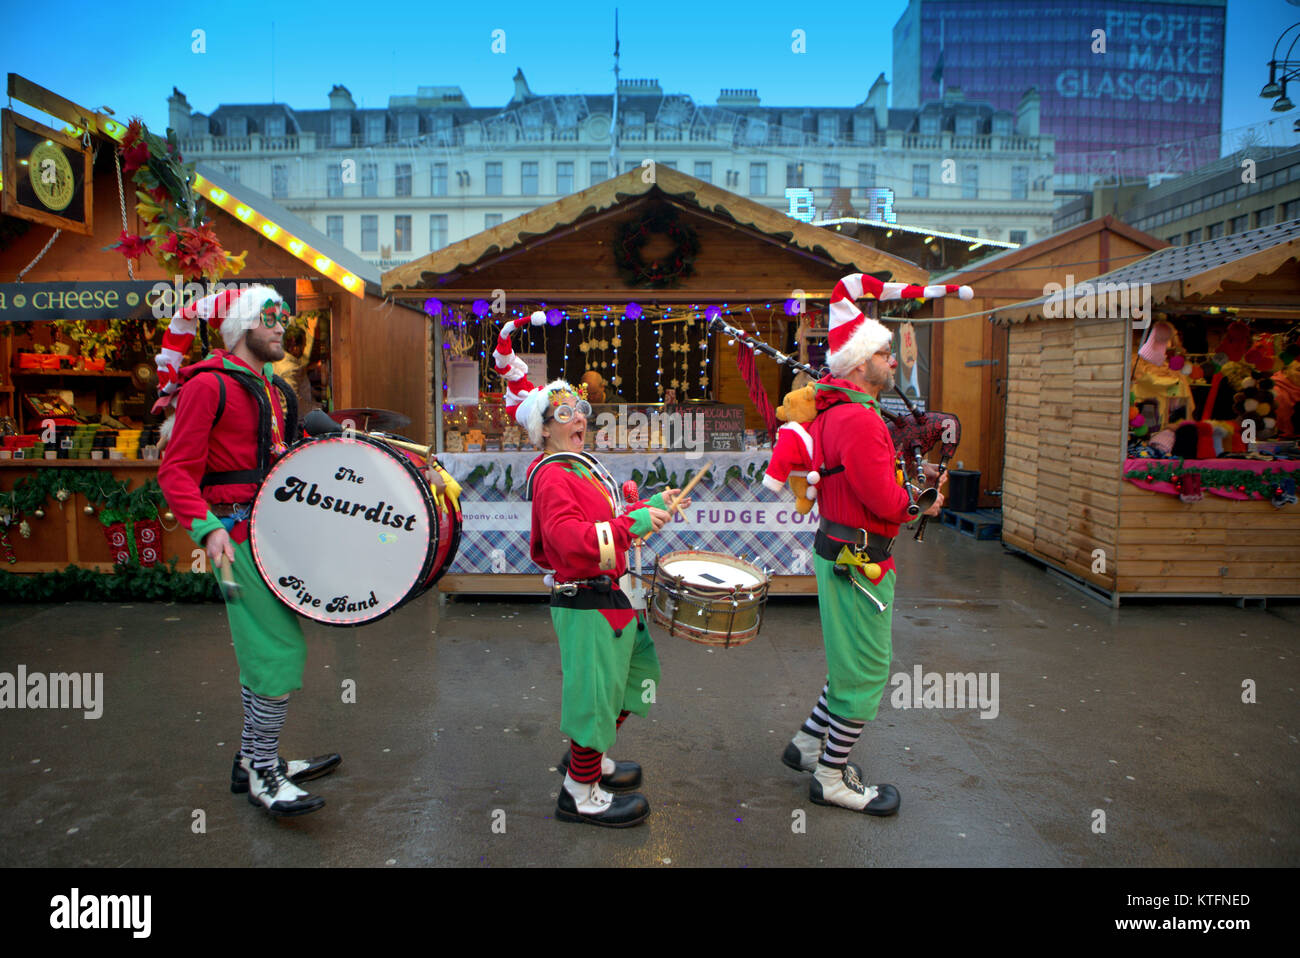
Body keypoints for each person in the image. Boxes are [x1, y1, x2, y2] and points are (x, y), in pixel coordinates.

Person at [782, 273, 969, 815]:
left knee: (848, 664)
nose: (893, 360)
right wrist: (923, 500)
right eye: (885, 353)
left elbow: (863, 486)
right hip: (858, 560)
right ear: (860, 365)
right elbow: (887, 503)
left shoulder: (833, 412)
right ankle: (832, 776)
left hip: (839, 551)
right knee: (866, 672)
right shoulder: (861, 422)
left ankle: (806, 745)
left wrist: (905, 491)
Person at [494, 314, 687, 827]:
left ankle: (589, 759)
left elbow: (605, 521)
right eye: (565, 411)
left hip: (612, 594)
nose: (580, 416)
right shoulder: (554, 476)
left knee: (634, 679)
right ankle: (578, 792)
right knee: (595, 695)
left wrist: (648, 505)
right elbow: (571, 543)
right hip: (587, 597)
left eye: (580, 407)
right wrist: (633, 524)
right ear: (544, 426)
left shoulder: (578, 465)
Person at [156, 286, 340, 818]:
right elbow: (175, 471)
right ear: (240, 328)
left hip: (272, 536)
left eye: (284, 317)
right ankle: (263, 771)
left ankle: (252, 758)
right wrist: (207, 529)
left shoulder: (274, 390)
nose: (283, 327)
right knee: (276, 653)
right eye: (271, 318)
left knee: (269, 650)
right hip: (235, 538)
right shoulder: (209, 387)